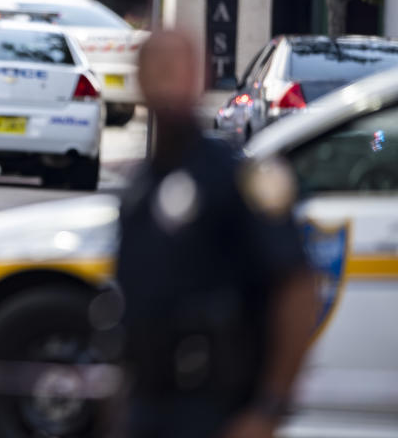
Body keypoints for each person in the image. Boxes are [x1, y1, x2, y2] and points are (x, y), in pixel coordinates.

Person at [115, 30, 317, 438]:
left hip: (217, 409)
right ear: (140, 81)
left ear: (200, 77)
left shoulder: (240, 178)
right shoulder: (138, 192)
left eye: (177, 69)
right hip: (148, 407)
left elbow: (297, 289)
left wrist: (271, 406)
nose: (166, 81)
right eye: (156, 69)